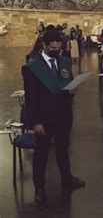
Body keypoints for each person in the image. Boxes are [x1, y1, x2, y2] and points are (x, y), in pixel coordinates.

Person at [22, 29, 85, 205]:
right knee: (41, 154)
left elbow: (67, 82)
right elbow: (31, 98)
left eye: (59, 47)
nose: (56, 50)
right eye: (53, 47)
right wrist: (35, 122)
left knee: (63, 149)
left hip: (64, 115)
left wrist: (73, 90)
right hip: (44, 118)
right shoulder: (33, 67)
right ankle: (39, 187)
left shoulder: (64, 61)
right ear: (45, 45)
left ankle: (67, 179)